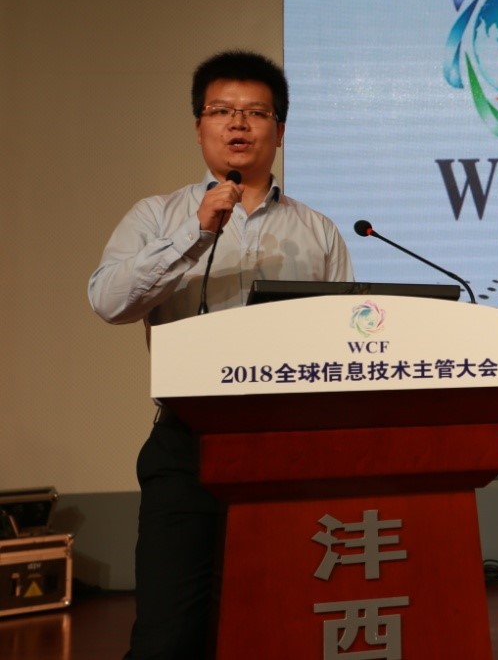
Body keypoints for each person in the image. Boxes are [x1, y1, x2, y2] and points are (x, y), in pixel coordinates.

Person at [88, 50, 353, 659]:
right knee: (168, 635)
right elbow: (108, 302)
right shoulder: (157, 216)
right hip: (188, 446)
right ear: (199, 127)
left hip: (288, 447)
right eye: (222, 110)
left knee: (280, 627)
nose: (238, 123)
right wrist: (195, 234)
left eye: (256, 112)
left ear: (278, 131)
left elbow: (343, 338)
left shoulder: (318, 232)